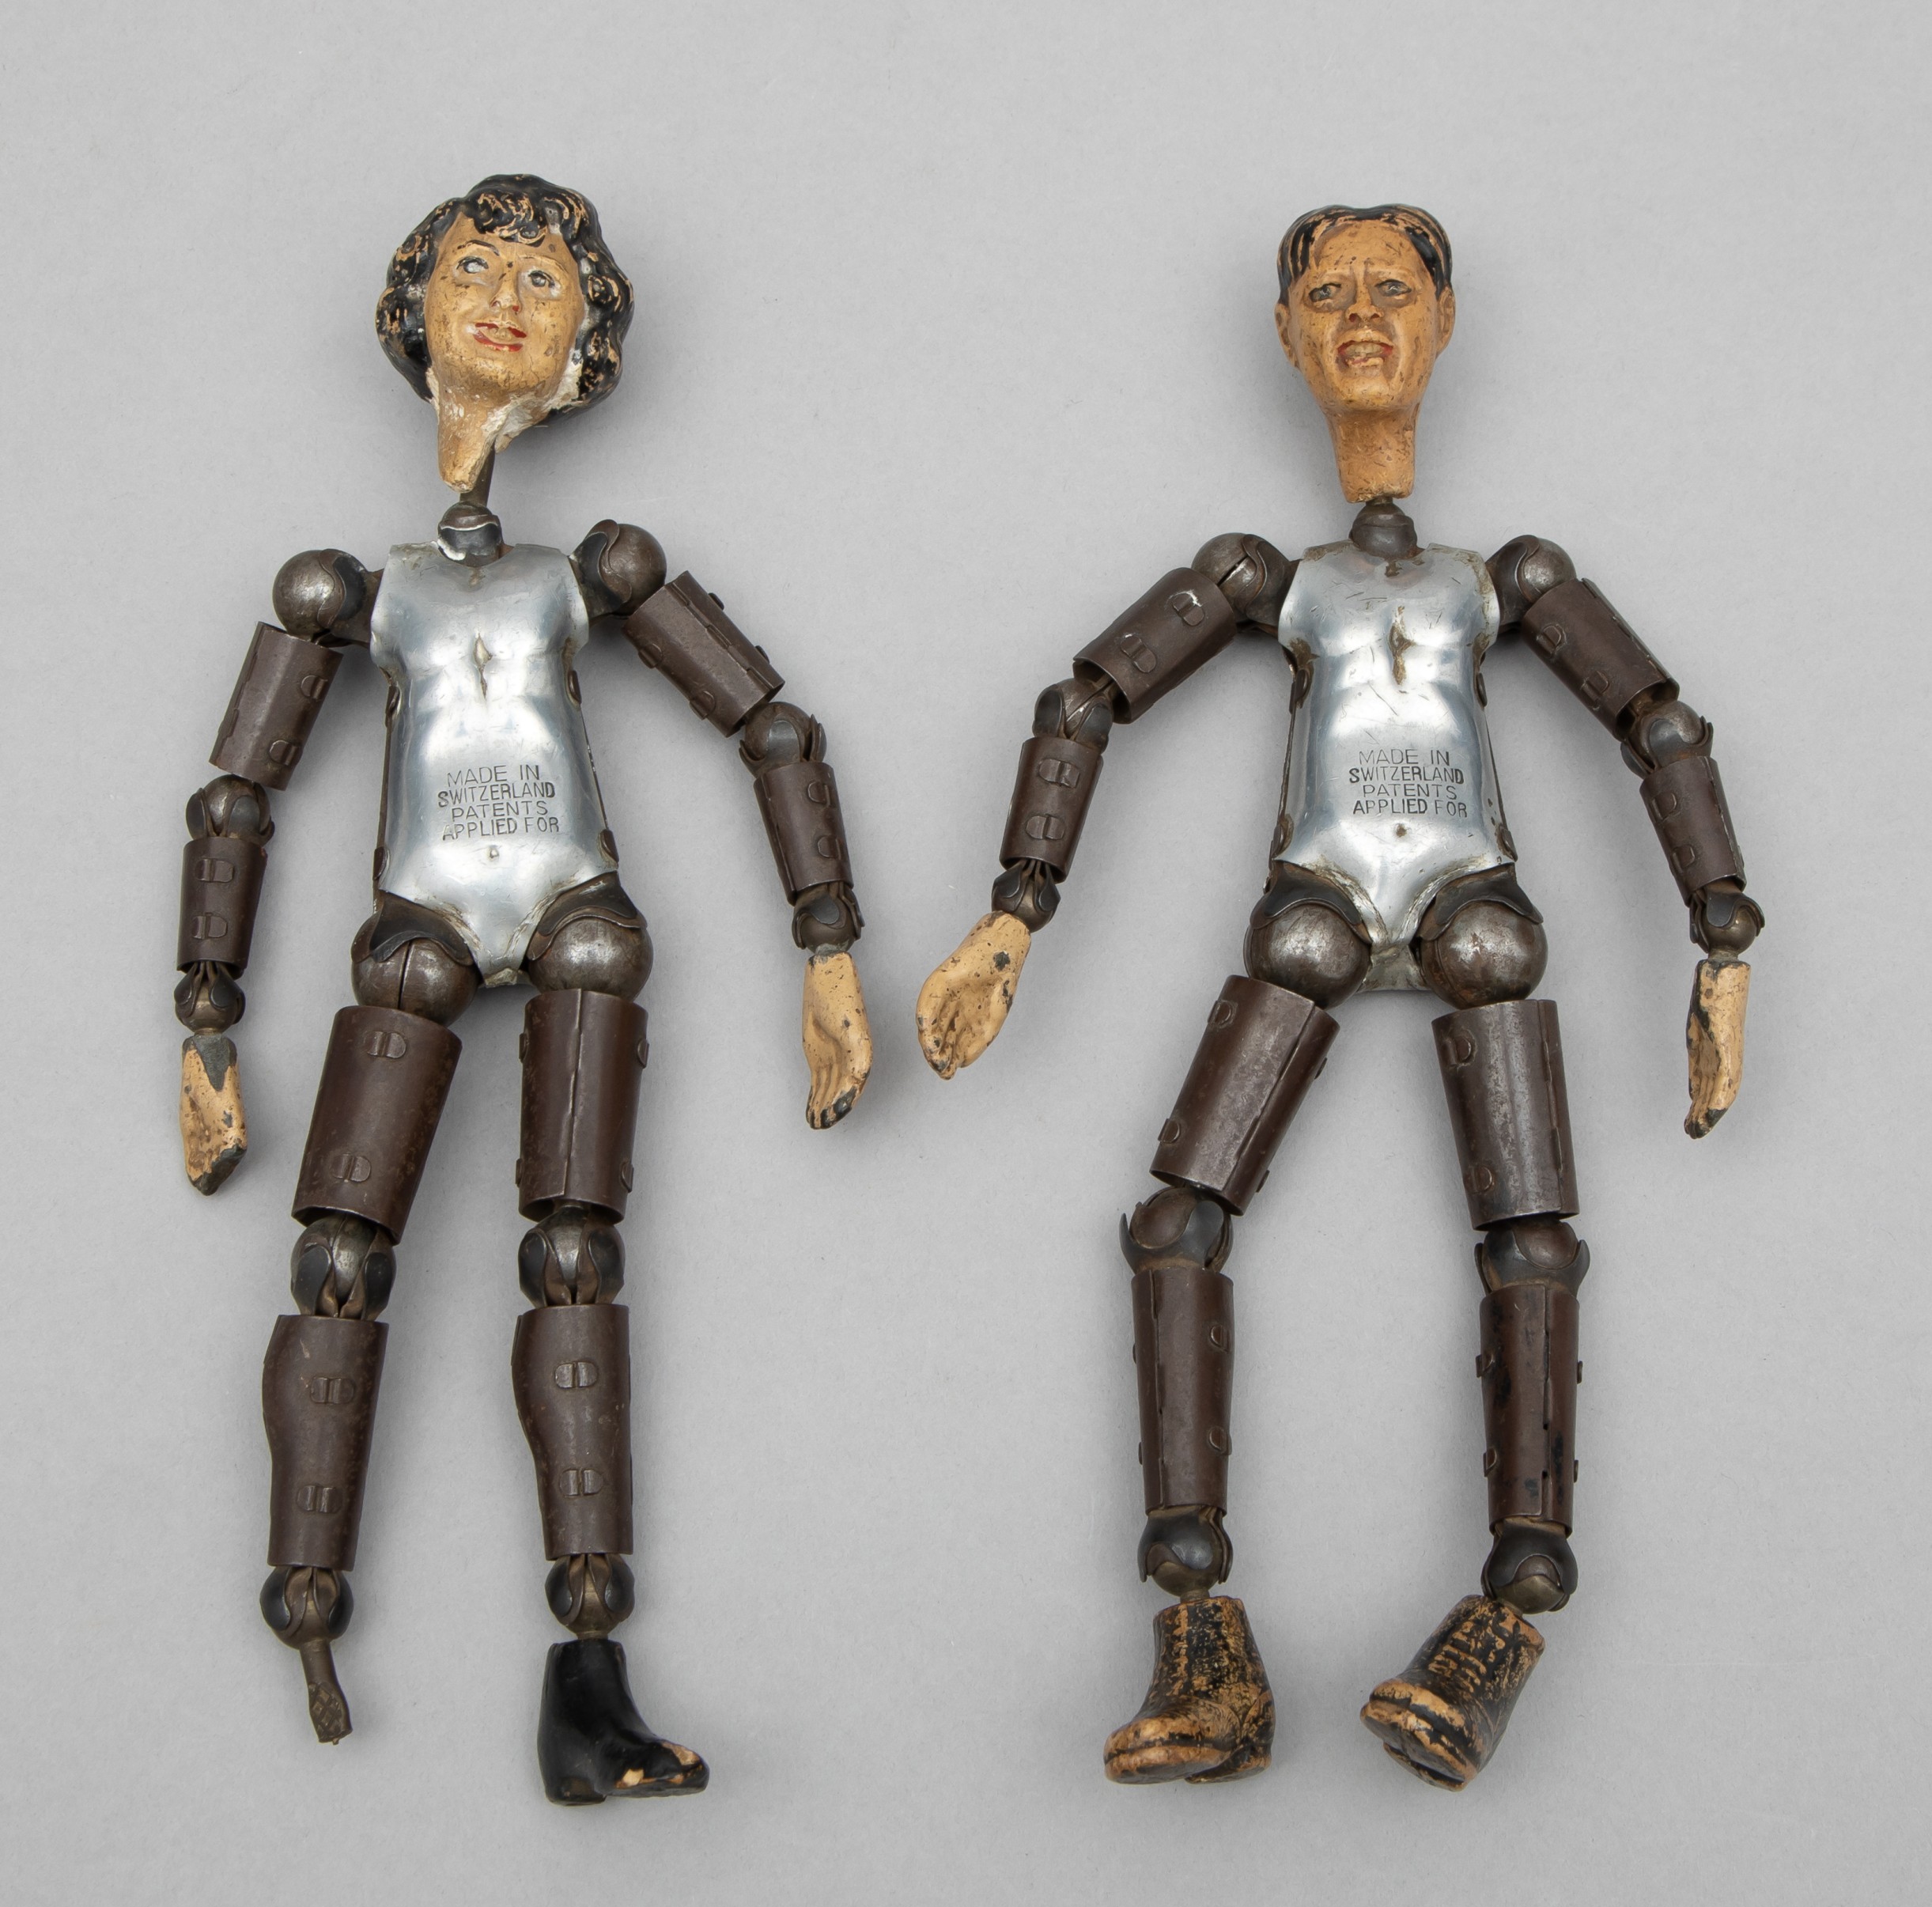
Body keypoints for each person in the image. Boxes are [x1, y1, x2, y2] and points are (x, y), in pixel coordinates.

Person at [917, 203, 1761, 1789]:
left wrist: (1723, 938)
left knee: (1524, 1241)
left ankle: (1505, 1613)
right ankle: (1201, 1634)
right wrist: (1010, 916)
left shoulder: (1504, 579)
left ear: (1443, 323)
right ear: (1287, 336)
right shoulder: (1269, 577)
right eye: (1326, 294)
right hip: (1309, 903)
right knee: (1179, 1223)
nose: (1361, 317)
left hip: (1471, 901)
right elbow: (1086, 699)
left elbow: (1658, 722)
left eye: (1391, 290)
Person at [174, 174, 873, 1803]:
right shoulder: (350, 589)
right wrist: (206, 1022)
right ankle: (310, 1606)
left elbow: (770, 725)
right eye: (475, 267)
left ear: (588, 341)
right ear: (415, 306)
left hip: (580, 919)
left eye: (544, 279)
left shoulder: (595, 571)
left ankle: (589, 1664)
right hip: (415, 921)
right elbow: (236, 799)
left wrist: (827, 948)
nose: (503, 296)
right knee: (337, 1258)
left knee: (576, 1256)